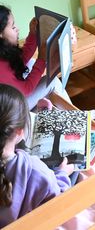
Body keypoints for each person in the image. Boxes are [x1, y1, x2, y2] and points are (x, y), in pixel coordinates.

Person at [0, 84, 74, 228]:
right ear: (20, 132)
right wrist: (63, 174)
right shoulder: (35, 170)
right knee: (73, 170)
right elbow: (57, 203)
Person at [0, 4, 71, 110]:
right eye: (13, 27)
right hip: (12, 111)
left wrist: (32, 34)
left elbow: (20, 60)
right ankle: (78, 117)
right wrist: (42, 59)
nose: (17, 29)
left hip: (12, 100)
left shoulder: (3, 51)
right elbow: (26, 89)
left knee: (31, 63)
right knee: (53, 82)